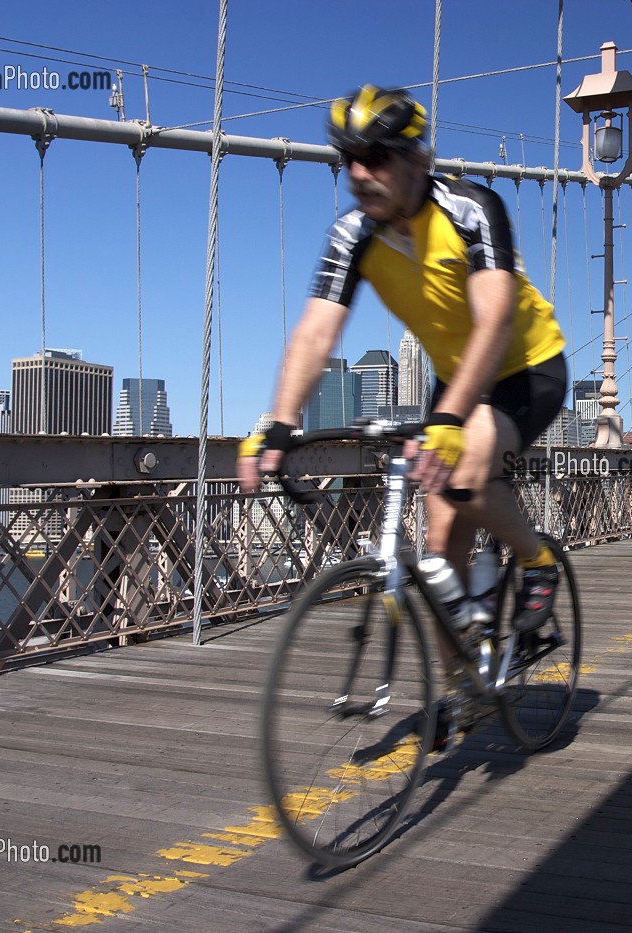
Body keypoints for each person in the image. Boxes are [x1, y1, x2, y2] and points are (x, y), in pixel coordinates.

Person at [237, 85, 568, 741]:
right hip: (457, 380)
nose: (361, 173)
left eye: (378, 156)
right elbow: (315, 333)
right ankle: (467, 685)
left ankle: (534, 561)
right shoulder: (352, 236)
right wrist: (276, 423)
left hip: (526, 367)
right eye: (349, 159)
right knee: (439, 546)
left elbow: (496, 320)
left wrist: (448, 421)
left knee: (469, 470)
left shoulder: (473, 208)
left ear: (419, 158)